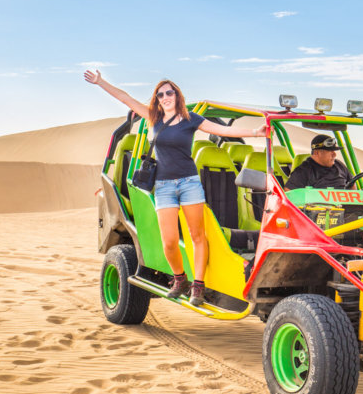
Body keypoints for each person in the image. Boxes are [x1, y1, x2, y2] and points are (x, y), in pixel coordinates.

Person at [84, 70, 264, 306]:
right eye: (160, 94)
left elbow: (224, 131)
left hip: (189, 183)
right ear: (157, 99)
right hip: (164, 186)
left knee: (197, 236)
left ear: (177, 95)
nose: (165, 97)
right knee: (168, 241)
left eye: (169, 92)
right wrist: (100, 82)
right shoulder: (153, 118)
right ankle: (180, 279)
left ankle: (198, 286)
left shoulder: (191, 119)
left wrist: (254, 132)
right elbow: (125, 98)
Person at [284, 134, 352, 190]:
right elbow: (288, 192)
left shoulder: (339, 165)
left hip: (345, 205)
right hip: (321, 206)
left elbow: (352, 186)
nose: (334, 154)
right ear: (316, 153)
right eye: (330, 151)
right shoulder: (304, 170)